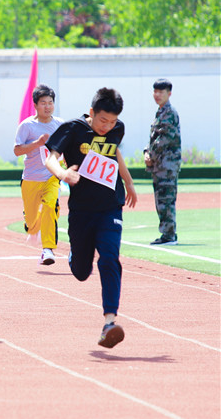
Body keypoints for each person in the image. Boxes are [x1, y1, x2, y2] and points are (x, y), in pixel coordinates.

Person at [44, 87, 137, 349]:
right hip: (82, 211)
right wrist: (63, 174)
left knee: (109, 258)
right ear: (92, 112)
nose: (107, 127)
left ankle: (110, 321)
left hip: (110, 207)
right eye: (102, 120)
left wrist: (128, 181)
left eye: (112, 122)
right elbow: (51, 159)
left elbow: (114, 152)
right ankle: (75, 254)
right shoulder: (72, 129)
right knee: (81, 271)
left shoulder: (117, 129)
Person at [13, 84, 64, 265]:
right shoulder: (27, 126)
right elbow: (17, 151)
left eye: (50, 102)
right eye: (43, 103)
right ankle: (32, 227)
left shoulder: (60, 125)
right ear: (35, 105)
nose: (47, 106)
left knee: (50, 206)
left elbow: (66, 147)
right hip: (31, 179)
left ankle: (48, 250)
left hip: (51, 177)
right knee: (32, 222)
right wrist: (37, 143)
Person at [144, 79, 181, 246]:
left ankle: (169, 235)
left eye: (161, 92)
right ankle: (167, 233)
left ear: (169, 93)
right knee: (161, 200)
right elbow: (154, 138)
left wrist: (150, 155)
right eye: (155, 91)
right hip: (160, 165)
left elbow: (164, 139)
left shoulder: (169, 113)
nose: (157, 95)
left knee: (166, 200)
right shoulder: (160, 112)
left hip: (167, 165)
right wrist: (147, 152)